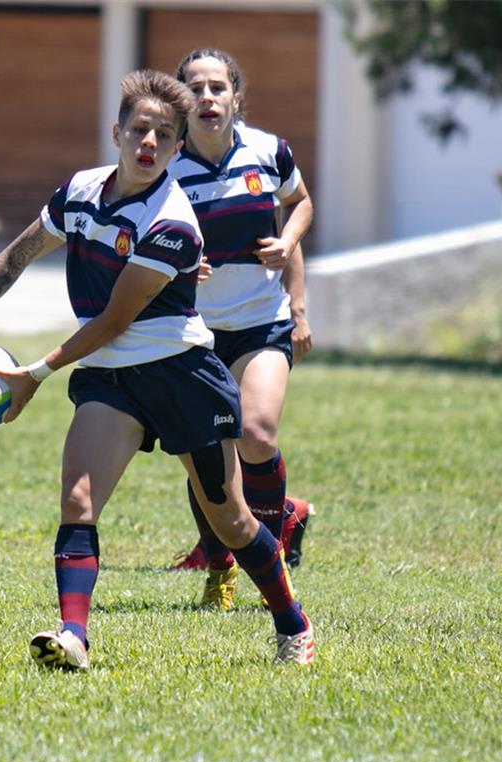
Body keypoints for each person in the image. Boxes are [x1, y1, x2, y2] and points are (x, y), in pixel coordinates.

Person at [0, 70, 315, 670]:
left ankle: (292, 623)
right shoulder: (81, 191)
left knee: (231, 519)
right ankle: (74, 638)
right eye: (140, 128)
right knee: (78, 501)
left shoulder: (172, 220)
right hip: (113, 380)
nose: (149, 142)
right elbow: (17, 255)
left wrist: (34, 373)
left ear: (175, 147)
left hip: (182, 375)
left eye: (164, 135)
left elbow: (117, 319)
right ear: (117, 132)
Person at [164, 48, 316, 611]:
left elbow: (299, 202)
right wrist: (179, 262)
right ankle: (220, 566)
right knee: (206, 450)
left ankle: (271, 555)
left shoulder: (269, 150)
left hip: (260, 323)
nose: (207, 98)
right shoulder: (165, 167)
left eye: (217, 88)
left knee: (256, 435)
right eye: (196, 89)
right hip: (192, 330)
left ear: (235, 96)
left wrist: (290, 253)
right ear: (182, 102)